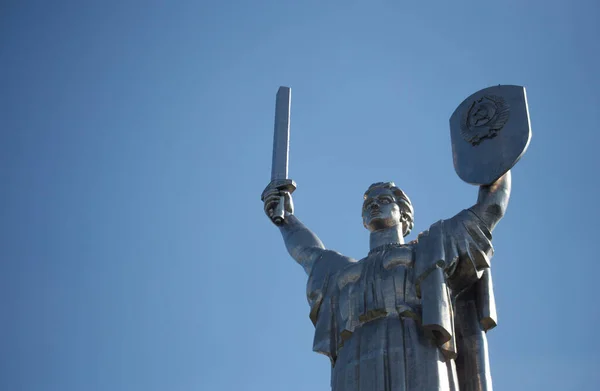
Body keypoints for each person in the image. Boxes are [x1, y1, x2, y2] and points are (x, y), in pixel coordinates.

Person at [262, 172, 511, 391]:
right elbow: (308, 253)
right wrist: (286, 218)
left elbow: (490, 210)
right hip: (355, 358)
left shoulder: (431, 247)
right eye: (369, 203)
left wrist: (494, 157)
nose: (373, 206)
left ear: (404, 214)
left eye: (383, 201)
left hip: (416, 347)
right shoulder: (343, 271)